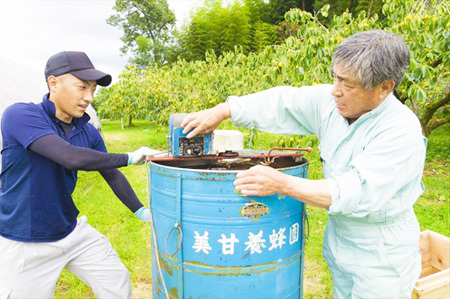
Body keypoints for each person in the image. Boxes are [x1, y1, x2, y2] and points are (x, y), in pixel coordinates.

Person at [181, 30, 427, 298]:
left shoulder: (400, 130)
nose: (335, 90)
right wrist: (224, 110)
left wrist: (281, 183)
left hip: (382, 250)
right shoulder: (331, 104)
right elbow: (283, 102)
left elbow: (355, 192)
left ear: (384, 88)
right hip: (342, 237)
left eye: (347, 84)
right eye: (335, 77)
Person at [0, 51, 159, 298]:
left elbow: (111, 174)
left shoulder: (87, 132)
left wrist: (141, 212)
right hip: (25, 242)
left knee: (116, 281)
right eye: (82, 87)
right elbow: (69, 156)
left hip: (71, 231)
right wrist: (129, 156)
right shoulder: (21, 116)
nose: (89, 98)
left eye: (93, 90)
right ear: (53, 83)